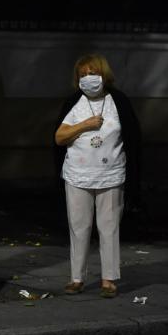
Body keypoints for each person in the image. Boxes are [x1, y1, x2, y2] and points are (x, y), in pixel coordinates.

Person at [54, 53, 141, 299]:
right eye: (83, 75)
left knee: (109, 227)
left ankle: (109, 279)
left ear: (104, 75)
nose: (88, 78)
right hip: (78, 175)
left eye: (92, 73)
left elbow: (133, 138)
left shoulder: (119, 102)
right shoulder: (74, 103)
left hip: (111, 175)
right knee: (79, 226)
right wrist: (85, 125)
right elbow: (59, 137)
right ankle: (76, 278)